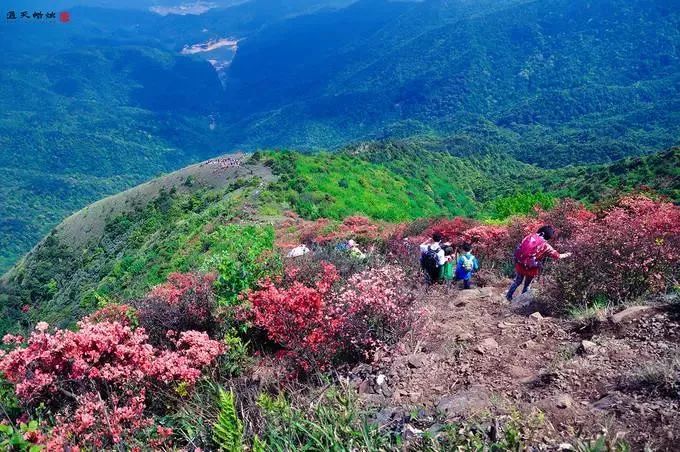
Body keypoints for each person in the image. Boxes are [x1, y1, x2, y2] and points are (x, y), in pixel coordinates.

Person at [506, 225, 572, 301]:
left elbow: (520, 247)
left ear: (541, 232)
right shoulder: (546, 246)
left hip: (520, 263)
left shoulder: (529, 236)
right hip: (532, 267)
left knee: (517, 281)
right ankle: (522, 301)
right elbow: (558, 256)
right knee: (527, 285)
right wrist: (568, 254)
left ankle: (508, 296)